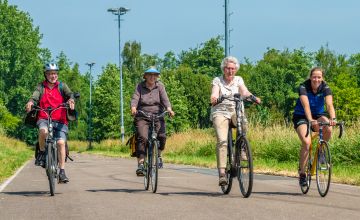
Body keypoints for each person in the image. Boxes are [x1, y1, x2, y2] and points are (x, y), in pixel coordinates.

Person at [210, 56, 261, 186]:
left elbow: (244, 91)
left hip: (235, 110)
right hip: (220, 112)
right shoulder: (217, 80)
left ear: (236, 69)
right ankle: (222, 173)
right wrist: (215, 97)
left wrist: (252, 97)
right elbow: (214, 93)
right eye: (228, 68)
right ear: (223, 69)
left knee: (243, 123)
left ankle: (242, 148)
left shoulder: (238, 79)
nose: (230, 71)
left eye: (233, 69)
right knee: (222, 141)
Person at [25, 63, 75, 183]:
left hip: (60, 119)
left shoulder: (62, 86)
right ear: (46, 75)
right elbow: (35, 96)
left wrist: (71, 100)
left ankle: (62, 172)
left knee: (61, 143)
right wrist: (31, 102)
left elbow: (70, 95)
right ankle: (42, 152)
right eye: (51, 73)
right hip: (44, 117)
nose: (53, 76)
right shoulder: (41, 87)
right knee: (43, 131)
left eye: (55, 73)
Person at [292, 67, 336, 187]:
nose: (316, 79)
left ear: (322, 78)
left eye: (319, 77)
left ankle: (321, 151)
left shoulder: (325, 87)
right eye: (314, 77)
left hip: (318, 114)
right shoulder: (303, 87)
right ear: (310, 77)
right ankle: (302, 174)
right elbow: (306, 106)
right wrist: (311, 120)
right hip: (301, 116)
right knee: (306, 143)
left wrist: (333, 118)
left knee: (328, 125)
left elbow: (329, 104)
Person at [130, 67, 175, 176]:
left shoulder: (160, 86)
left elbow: (165, 99)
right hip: (142, 115)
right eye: (149, 75)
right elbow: (135, 98)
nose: (152, 77)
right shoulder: (140, 86)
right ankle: (141, 164)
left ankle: (158, 155)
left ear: (157, 77)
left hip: (157, 115)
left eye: (154, 75)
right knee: (143, 137)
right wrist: (133, 108)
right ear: (145, 76)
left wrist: (169, 109)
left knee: (162, 136)